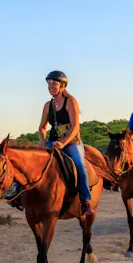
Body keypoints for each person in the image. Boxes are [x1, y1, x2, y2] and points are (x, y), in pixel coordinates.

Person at [37, 71, 94, 217]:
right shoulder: (47, 105)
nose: (51, 86)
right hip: (52, 141)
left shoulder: (71, 102)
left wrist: (63, 143)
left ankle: (85, 200)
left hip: (70, 141)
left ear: (62, 85)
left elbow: (75, 127)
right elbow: (42, 127)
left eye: (54, 83)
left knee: (79, 164)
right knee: (34, 160)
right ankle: (18, 193)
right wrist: (42, 142)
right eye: (49, 83)